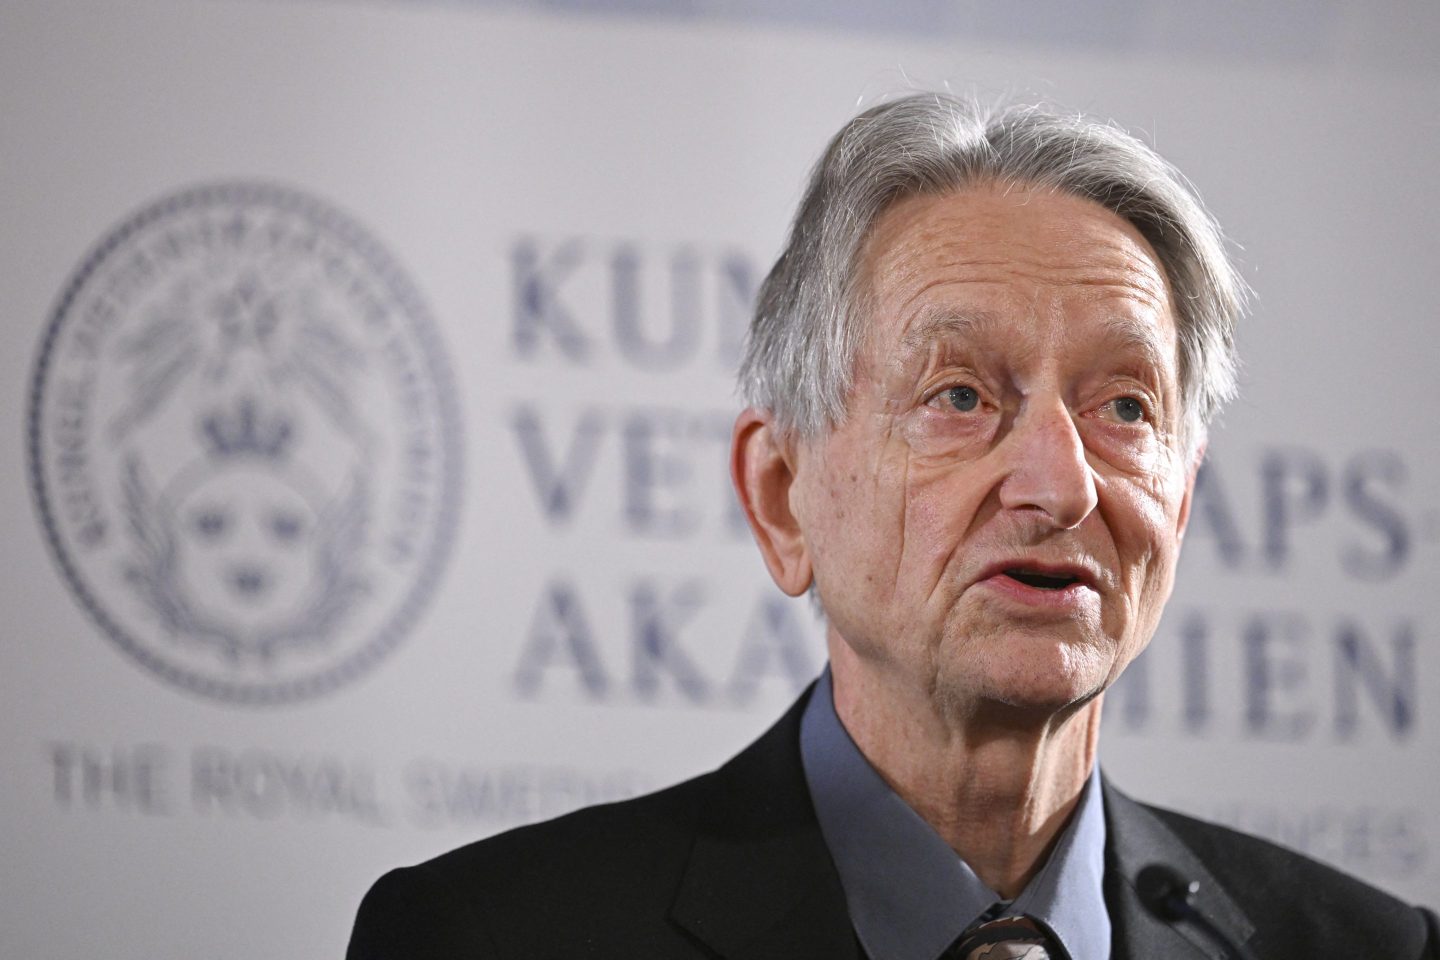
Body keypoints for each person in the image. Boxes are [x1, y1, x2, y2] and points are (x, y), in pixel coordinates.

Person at [347, 93, 1439, 959]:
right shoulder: (492, 937)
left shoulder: (1372, 947)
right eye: (960, 396)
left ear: (1181, 500)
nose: (1060, 488)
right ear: (783, 498)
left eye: (1124, 408)